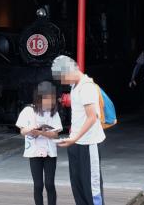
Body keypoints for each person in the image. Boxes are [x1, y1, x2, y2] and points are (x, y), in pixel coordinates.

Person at [53, 55, 106, 205]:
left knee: (91, 186)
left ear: (69, 72)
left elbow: (92, 117)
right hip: (76, 142)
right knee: (78, 184)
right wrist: (73, 139)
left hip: (89, 142)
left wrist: (74, 138)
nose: (63, 82)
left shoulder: (86, 86)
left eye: (62, 78)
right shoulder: (75, 86)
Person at [16, 81, 63, 205]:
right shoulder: (28, 111)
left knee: (49, 183)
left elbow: (56, 133)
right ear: (39, 98)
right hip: (34, 152)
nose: (50, 102)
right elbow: (22, 131)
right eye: (47, 99)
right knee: (38, 185)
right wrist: (31, 129)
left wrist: (41, 133)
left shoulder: (54, 113)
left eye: (52, 99)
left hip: (50, 152)